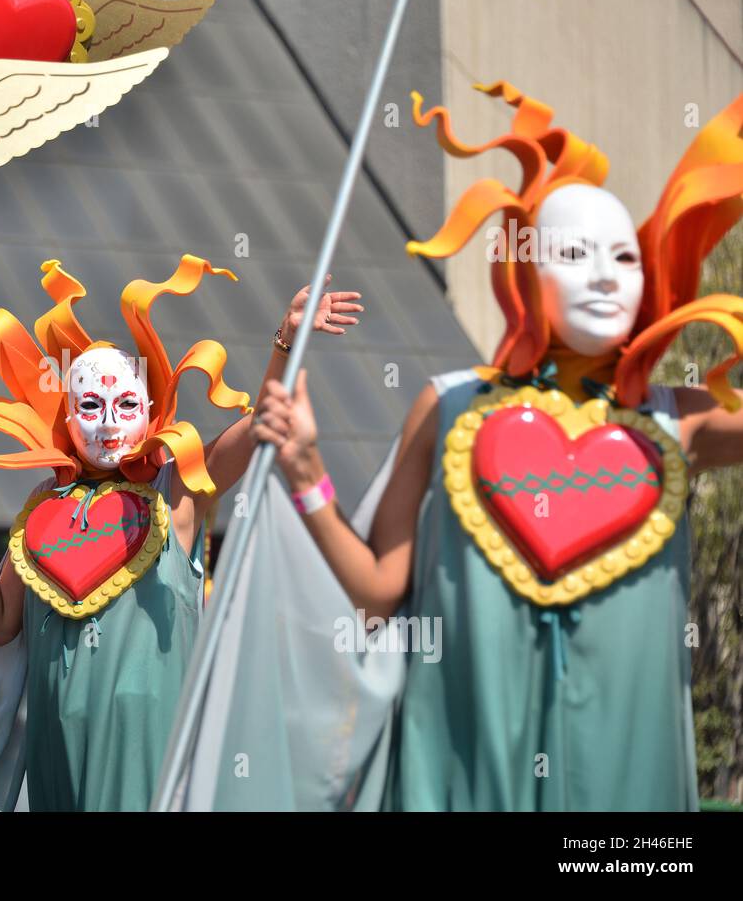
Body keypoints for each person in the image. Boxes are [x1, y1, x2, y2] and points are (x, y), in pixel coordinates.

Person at [252, 82, 743, 810]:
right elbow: (379, 591)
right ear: (522, 269)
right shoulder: (448, 406)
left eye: (624, 257)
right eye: (574, 252)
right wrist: (309, 473)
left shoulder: (678, 420)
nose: (606, 275)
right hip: (468, 768)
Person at [0, 254, 362, 810]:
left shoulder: (176, 492)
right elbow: (3, 622)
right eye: (91, 405)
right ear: (69, 419)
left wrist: (286, 344)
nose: (107, 420)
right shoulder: (42, 506)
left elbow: (262, 426)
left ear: (151, 414)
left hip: (153, 743)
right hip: (54, 742)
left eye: (126, 403)